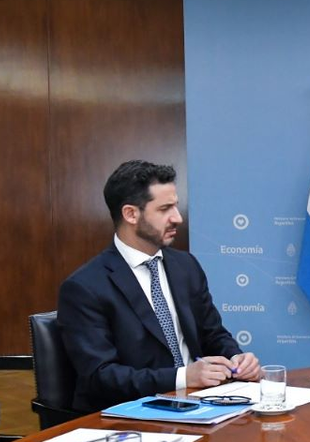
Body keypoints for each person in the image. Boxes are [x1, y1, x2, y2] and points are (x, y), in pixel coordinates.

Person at [58, 160, 260, 412]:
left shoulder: (185, 265)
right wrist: (183, 377)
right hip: (131, 416)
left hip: (202, 404)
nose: (178, 217)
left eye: (175, 206)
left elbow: (212, 333)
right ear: (131, 214)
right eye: (165, 209)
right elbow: (101, 376)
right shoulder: (85, 287)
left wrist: (236, 359)